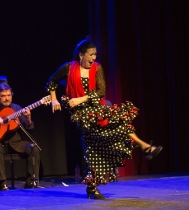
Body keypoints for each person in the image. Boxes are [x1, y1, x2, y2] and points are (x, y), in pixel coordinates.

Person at [45, 37, 162, 199]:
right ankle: (143, 148)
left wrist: (82, 98)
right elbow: (52, 81)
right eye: (91, 55)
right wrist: (54, 99)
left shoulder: (97, 68)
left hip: (97, 108)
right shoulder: (68, 68)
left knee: (116, 127)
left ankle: (143, 148)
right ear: (81, 55)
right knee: (94, 146)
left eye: (95, 55)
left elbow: (101, 91)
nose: (94, 58)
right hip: (81, 114)